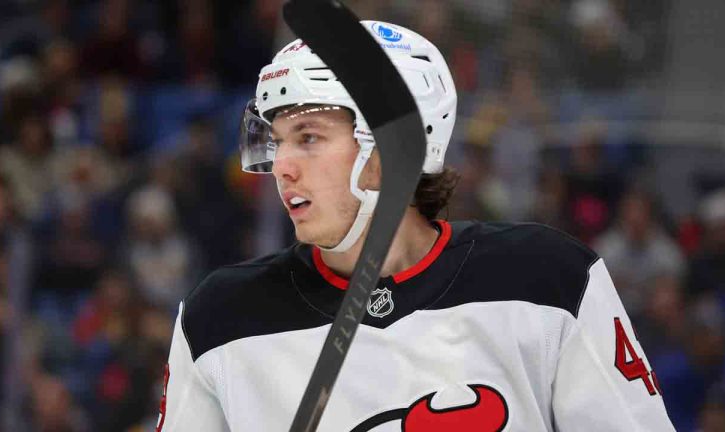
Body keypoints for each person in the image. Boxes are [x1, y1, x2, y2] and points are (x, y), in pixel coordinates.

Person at [157, 21, 675, 431]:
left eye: (309, 137)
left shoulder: (550, 280)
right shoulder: (219, 319)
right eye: (278, 140)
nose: (282, 165)